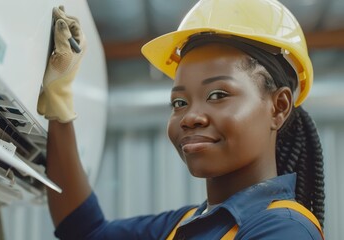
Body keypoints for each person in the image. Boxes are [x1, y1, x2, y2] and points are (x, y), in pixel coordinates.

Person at [37, 0, 325, 239]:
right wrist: (59, 99)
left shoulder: (285, 229)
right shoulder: (187, 224)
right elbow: (85, 232)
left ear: (279, 106)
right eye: (179, 102)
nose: (190, 117)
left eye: (217, 95)